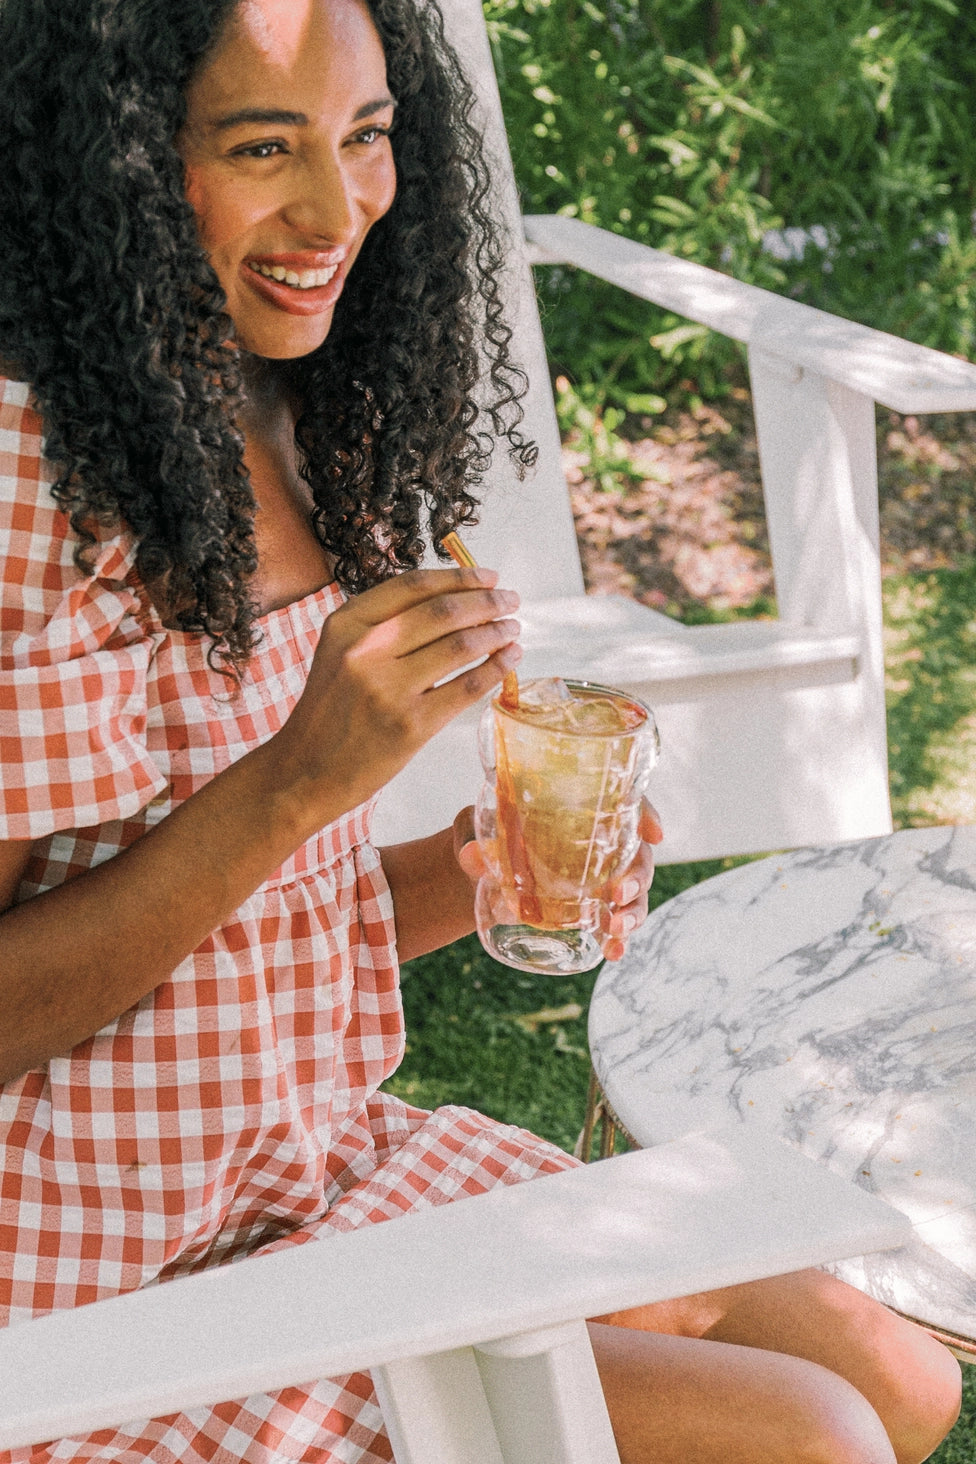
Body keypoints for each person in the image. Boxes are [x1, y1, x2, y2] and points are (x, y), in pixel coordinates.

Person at [0, 0, 961, 1460]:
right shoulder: (32, 488)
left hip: (314, 1180)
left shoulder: (291, 410)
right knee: (810, 1435)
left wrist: (471, 879)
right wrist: (295, 784)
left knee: (896, 1379)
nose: (337, 207)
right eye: (266, 145)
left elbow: (234, 977)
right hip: (97, 1295)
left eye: (369, 136)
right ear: (118, 159)